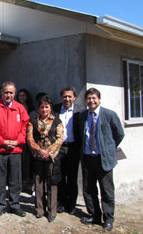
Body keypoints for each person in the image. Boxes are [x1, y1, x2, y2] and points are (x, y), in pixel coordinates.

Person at [78, 88, 124, 232]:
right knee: (89, 189)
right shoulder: (83, 116)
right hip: (87, 158)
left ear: (99, 99)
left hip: (103, 160)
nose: (91, 101)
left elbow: (119, 134)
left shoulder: (109, 115)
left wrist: (108, 149)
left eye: (94, 98)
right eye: (89, 98)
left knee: (107, 190)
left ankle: (109, 218)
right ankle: (94, 215)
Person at [0, 81, 29, 217]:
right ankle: (0, 205)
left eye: (11, 92)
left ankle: (15, 204)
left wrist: (17, 142)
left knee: (15, 179)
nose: (8, 95)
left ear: (14, 93)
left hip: (16, 150)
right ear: (1, 92)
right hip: (0, 150)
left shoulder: (20, 108)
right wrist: (2, 142)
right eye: (6, 92)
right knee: (0, 179)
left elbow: (25, 126)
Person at [26, 95, 64, 222]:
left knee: (52, 183)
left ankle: (52, 211)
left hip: (52, 157)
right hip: (38, 156)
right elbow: (30, 138)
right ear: (38, 108)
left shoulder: (57, 121)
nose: (44, 110)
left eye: (46, 107)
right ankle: (39, 209)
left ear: (51, 108)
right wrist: (39, 150)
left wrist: (49, 152)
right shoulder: (33, 121)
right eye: (42, 107)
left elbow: (60, 139)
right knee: (39, 182)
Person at [53, 87, 83, 215]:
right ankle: (61, 202)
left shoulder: (80, 111)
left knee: (72, 178)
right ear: (61, 98)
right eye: (65, 96)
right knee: (59, 176)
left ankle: (71, 204)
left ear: (74, 98)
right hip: (59, 148)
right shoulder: (55, 110)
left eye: (70, 96)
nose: (67, 99)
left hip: (73, 148)